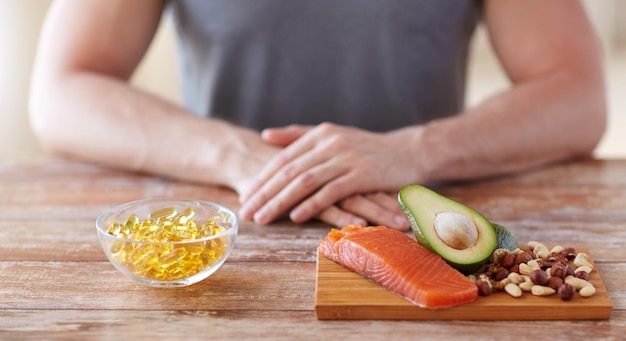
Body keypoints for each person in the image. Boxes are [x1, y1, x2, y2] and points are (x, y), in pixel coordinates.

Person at [29, 0, 606, 231]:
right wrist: (238, 156)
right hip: (231, 230)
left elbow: (576, 94)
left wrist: (416, 149)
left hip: (413, 228)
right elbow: (63, 90)